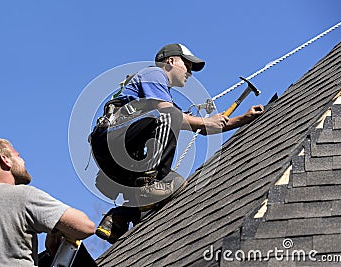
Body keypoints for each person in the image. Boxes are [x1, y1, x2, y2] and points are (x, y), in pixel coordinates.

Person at [90, 43, 264, 243]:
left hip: (122, 158)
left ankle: (119, 217)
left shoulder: (163, 99)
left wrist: (243, 118)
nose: (190, 72)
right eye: (187, 65)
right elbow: (171, 114)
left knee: (176, 184)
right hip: (111, 141)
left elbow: (201, 128)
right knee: (170, 116)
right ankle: (147, 185)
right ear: (170, 61)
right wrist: (206, 120)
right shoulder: (154, 74)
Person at [0, 138, 95, 266]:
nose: (23, 161)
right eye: (18, 156)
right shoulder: (22, 195)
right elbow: (85, 227)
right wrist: (57, 230)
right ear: (5, 160)